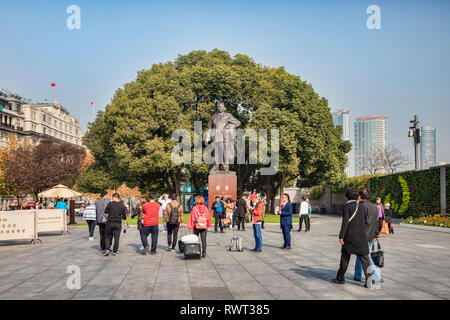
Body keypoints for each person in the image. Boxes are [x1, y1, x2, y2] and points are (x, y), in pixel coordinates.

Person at [332, 188, 372, 288]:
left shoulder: (347, 206)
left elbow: (345, 222)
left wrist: (341, 236)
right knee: (365, 259)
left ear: (347, 196)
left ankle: (340, 278)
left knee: (345, 257)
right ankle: (369, 280)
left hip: (349, 236)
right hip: (362, 236)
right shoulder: (363, 206)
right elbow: (366, 222)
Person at [354, 188, 383, 284]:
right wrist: (376, 234)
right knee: (360, 255)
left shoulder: (360, 207)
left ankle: (376, 275)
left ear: (360, 196)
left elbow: (358, 223)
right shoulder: (374, 207)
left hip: (362, 236)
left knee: (366, 256)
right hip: (370, 235)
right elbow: (377, 222)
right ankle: (357, 275)